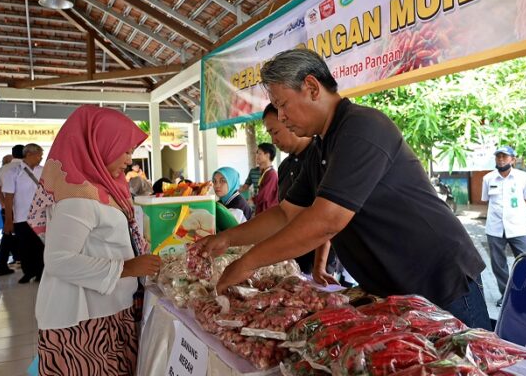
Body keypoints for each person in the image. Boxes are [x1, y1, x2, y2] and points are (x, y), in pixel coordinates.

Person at [198, 49, 491, 330]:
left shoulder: (361, 127)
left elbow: (326, 222)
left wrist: (248, 262)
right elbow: (286, 214)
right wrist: (228, 239)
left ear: (312, 87)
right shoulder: (320, 148)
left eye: (283, 104)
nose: (281, 117)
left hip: (439, 281)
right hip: (394, 289)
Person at [33, 105, 162, 376]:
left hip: (110, 310)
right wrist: (128, 267)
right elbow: (58, 261)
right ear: (100, 143)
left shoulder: (106, 190)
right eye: (126, 150)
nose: (130, 160)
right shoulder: (78, 198)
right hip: (83, 321)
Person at [262, 103, 337, 283]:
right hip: (292, 257)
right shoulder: (285, 166)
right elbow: (283, 213)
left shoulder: (321, 156)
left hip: (319, 261)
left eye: (275, 132)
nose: (273, 140)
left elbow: (327, 218)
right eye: (270, 134)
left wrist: (319, 265)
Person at [481, 146, 526, 306]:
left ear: (513, 159)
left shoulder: (523, 177)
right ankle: (506, 295)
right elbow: (487, 200)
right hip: (495, 228)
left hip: (518, 227)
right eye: (498, 157)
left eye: (505, 156)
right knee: (498, 264)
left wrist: (515, 214)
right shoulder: (488, 178)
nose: (501, 159)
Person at [2, 143, 45, 283]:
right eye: (39, 155)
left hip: (42, 216)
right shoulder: (13, 172)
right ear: (29, 154)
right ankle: (28, 272)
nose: (41, 158)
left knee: (40, 245)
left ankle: (41, 273)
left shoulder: (43, 171)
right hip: (21, 217)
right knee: (25, 246)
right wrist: (9, 219)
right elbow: (8, 197)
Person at [0, 145, 25, 275]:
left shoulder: (3, 169)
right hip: (24, 209)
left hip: (8, 209)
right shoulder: (27, 168)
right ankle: (31, 265)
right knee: (28, 236)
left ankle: (1, 266)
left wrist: (4, 204)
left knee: (7, 236)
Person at [252, 142, 279, 215]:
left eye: (259, 153)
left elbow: (264, 196)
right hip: (262, 212)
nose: (256, 156)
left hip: (268, 214)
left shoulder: (272, 174)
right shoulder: (265, 172)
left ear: (267, 155)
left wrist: (251, 200)